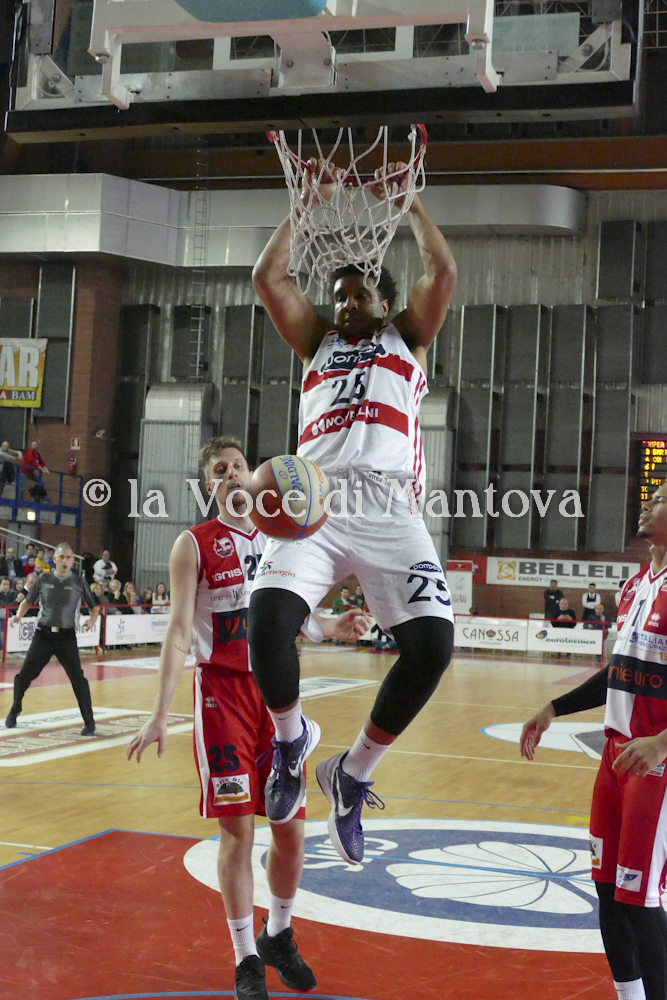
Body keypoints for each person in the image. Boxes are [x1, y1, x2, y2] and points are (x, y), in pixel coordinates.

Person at [250, 156, 457, 865]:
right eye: (337, 297)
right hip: (313, 500)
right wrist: (306, 206)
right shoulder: (317, 344)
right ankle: (291, 743)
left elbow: (442, 273)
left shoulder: (408, 338)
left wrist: (410, 205)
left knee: (432, 646)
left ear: (383, 301)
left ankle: (353, 772)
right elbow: (268, 279)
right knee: (267, 623)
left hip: (389, 507)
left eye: (358, 294)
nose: (344, 304)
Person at [127, 438, 369, 1000]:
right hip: (223, 698)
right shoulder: (193, 544)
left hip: (277, 698)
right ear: (209, 484)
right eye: (221, 470)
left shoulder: (281, 539)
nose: (233, 474)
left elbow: (291, 616)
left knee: (292, 831)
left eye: (239, 465)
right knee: (237, 831)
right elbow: (179, 630)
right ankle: (246, 959)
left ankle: (279, 933)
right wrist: (160, 712)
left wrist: (328, 627)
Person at [520, 482, 667, 1000]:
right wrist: (553, 709)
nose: (647, 503)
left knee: (639, 900)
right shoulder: (634, 586)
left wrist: (662, 743)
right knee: (607, 889)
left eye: (661, 498)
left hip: (655, 766)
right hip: (614, 758)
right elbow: (617, 673)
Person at [4, 542, 99, 736]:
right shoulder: (43, 579)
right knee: (23, 676)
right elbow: (27, 601)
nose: (65, 561)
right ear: (54, 559)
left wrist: (92, 620)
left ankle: (89, 723)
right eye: (61, 557)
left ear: (73, 561)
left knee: (78, 679)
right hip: (43, 636)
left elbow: (94, 607)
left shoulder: (79, 582)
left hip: (66, 638)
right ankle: (15, 708)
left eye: (69, 557)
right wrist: (18, 616)